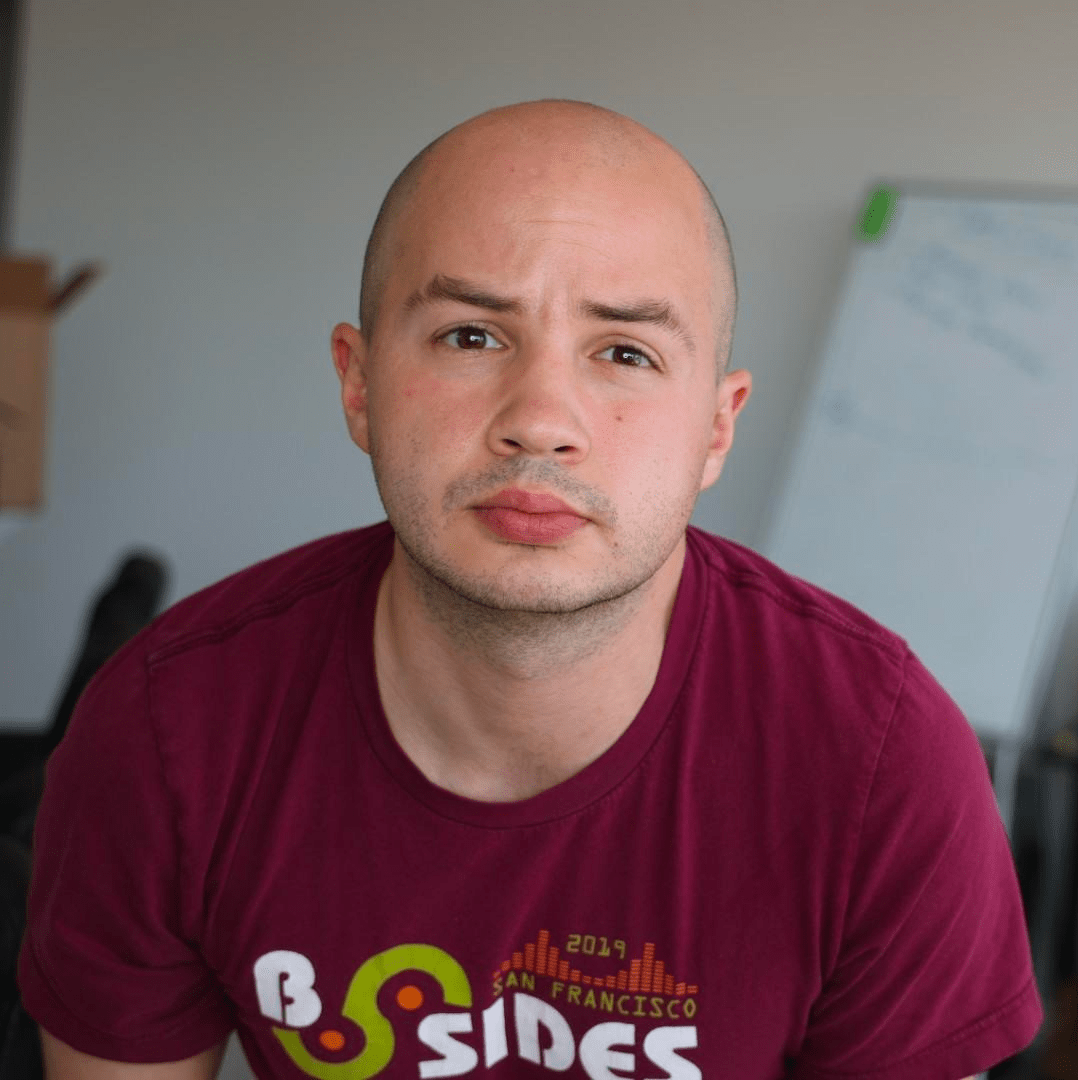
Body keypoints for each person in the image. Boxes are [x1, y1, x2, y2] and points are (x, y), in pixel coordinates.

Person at [17, 99, 1041, 1079]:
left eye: (625, 352)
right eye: (471, 335)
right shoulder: (166, 731)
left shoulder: (881, 768)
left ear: (715, 427)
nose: (541, 420)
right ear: (358, 384)